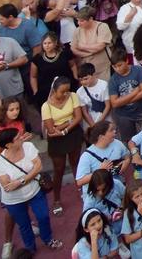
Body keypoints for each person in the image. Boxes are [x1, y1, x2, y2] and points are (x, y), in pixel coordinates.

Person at [0, 127, 59, 254]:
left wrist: (20, 181)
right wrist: (30, 175)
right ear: (8, 145)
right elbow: (7, 186)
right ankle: (30, 248)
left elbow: (38, 166)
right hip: (14, 200)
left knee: (43, 216)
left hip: (35, 191)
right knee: (24, 226)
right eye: (18, 138)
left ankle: (48, 238)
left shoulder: (28, 146)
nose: (21, 138)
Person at [40, 76, 86, 217]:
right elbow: (51, 130)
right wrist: (68, 122)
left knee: (76, 164)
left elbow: (78, 118)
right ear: (54, 90)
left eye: (67, 90)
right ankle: (57, 199)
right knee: (58, 170)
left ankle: (83, 192)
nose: (65, 94)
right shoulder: (46, 106)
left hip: (73, 135)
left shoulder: (73, 96)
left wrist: (64, 127)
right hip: (57, 141)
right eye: (62, 91)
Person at [106, 49, 142, 143]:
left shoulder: (138, 70)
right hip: (123, 115)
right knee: (130, 141)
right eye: (114, 67)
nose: (117, 69)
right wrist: (134, 93)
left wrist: (122, 100)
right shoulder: (113, 80)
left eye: (119, 65)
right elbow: (114, 104)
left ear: (126, 61)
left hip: (141, 109)